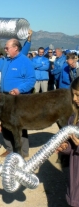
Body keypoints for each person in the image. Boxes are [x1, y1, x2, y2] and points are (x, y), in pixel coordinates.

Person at [0, 39, 36, 158]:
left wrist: (19, 89)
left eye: (7, 48)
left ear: (16, 48)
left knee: (19, 125)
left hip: (18, 99)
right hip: (4, 98)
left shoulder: (25, 61)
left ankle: (23, 151)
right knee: (5, 124)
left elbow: (31, 80)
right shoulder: (5, 60)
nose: (5, 49)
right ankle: (9, 148)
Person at [56, 76, 79, 206]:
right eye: (73, 95)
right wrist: (65, 147)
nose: (74, 99)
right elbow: (71, 146)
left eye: (78, 95)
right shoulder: (73, 119)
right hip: (75, 175)